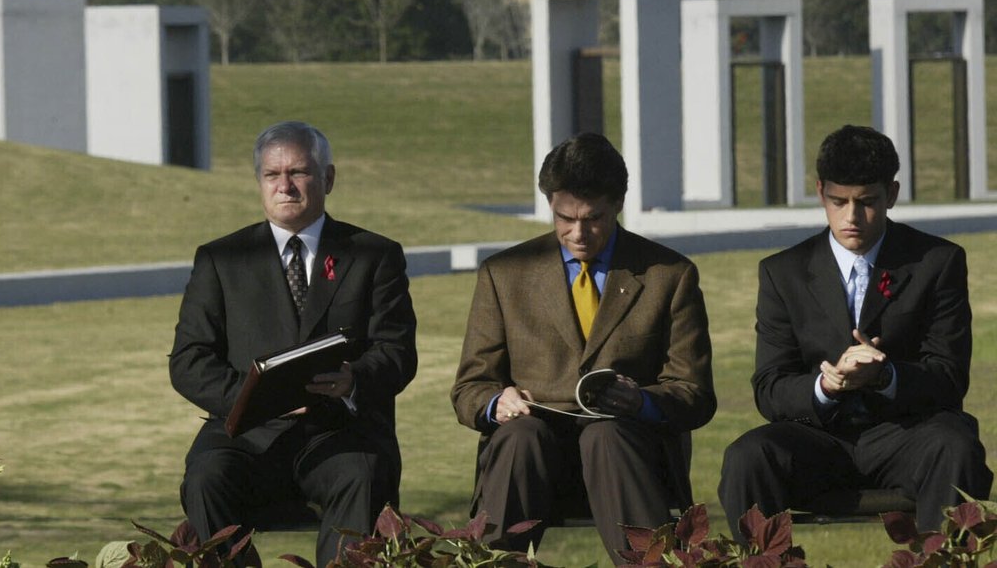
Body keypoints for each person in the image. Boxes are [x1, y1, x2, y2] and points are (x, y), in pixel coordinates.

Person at [450, 132, 714, 561]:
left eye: (592, 218)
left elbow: (695, 394)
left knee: (606, 435)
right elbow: (469, 388)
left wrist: (641, 401)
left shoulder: (670, 275)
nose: (577, 232)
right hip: (530, 457)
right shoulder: (504, 273)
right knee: (520, 436)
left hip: (625, 458)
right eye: (564, 217)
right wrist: (497, 402)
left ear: (618, 204)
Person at [718, 125, 991, 534]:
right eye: (838, 201)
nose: (851, 217)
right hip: (818, 440)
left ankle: (943, 561)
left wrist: (885, 376)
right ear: (820, 191)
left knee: (955, 445)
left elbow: (949, 380)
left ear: (892, 195)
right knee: (748, 456)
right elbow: (770, 388)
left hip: (908, 434)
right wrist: (826, 387)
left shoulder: (938, 262)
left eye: (866, 202)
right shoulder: (782, 272)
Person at [169, 121, 417, 566]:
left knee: (364, 474)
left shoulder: (374, 255)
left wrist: (353, 378)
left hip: (341, 432)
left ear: (329, 178)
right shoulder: (221, 259)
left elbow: (397, 352)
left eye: (299, 172)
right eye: (272, 175)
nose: (285, 186)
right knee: (206, 477)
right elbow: (189, 360)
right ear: (259, 182)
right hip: (245, 435)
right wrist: (250, 399)